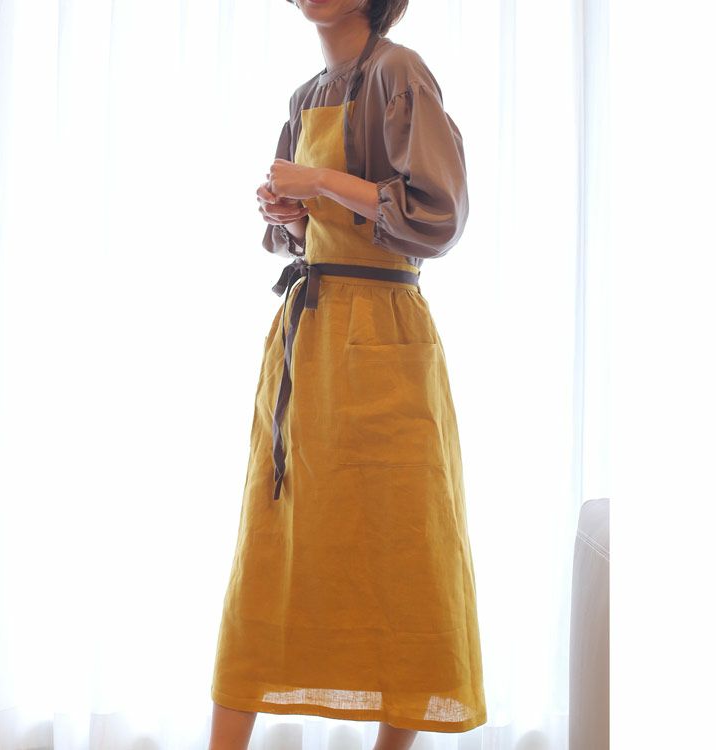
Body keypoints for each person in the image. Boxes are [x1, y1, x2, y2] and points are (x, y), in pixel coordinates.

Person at [208, 2, 487, 748]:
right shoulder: (306, 96)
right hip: (312, 334)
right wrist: (290, 211)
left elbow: (437, 214)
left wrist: (321, 180)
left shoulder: (400, 72)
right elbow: (305, 233)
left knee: (404, 546)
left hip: (385, 330)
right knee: (274, 547)